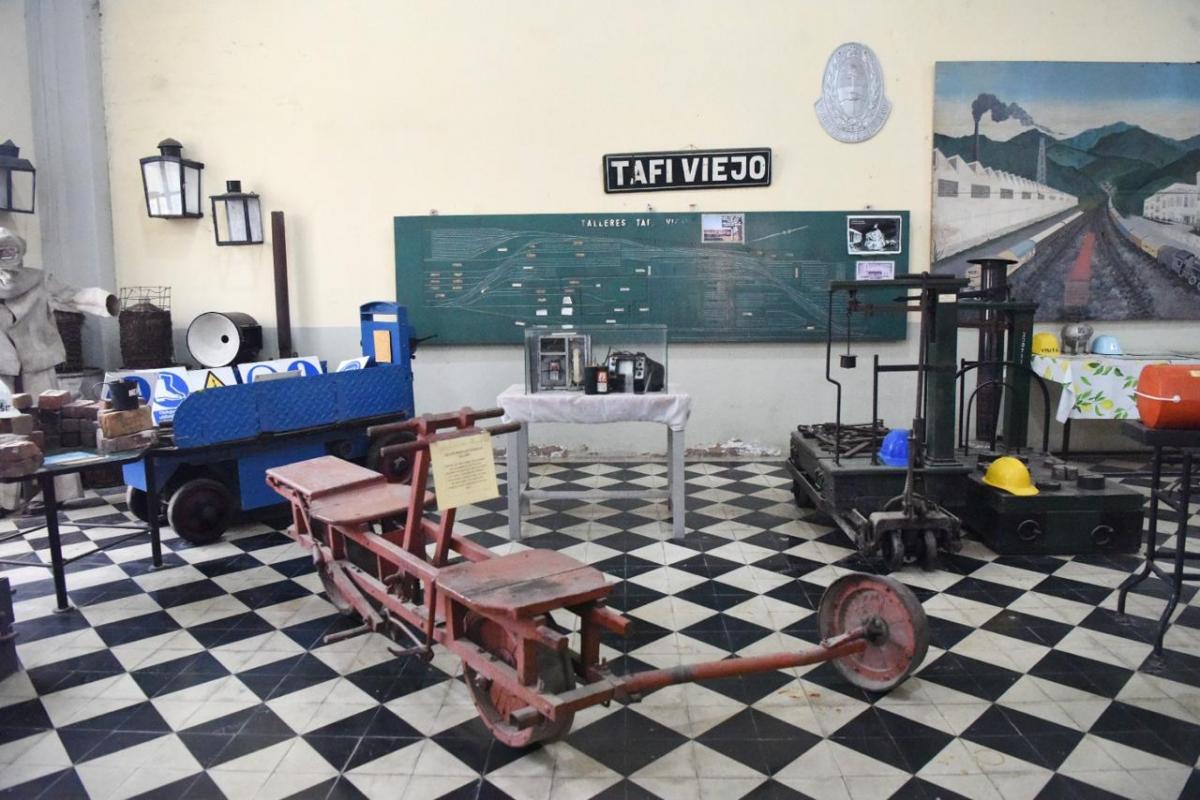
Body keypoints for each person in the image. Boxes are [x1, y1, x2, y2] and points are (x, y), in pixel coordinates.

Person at [0, 227, 117, 510]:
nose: (6, 255)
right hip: (3, 365)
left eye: (10, 249)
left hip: (37, 361)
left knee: (48, 424)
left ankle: (59, 490)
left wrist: (105, 301)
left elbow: (73, 296)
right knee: (4, 429)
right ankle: (6, 498)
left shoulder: (38, 280)